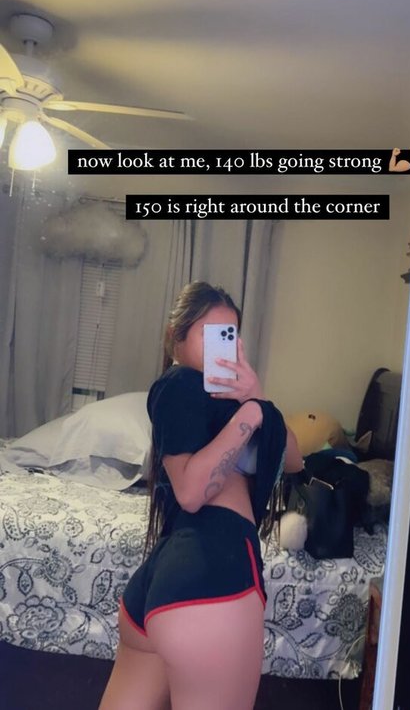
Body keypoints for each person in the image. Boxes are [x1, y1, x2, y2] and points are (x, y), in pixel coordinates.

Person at [99, 281, 303, 710]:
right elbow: (191, 491)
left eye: (228, 336)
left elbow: (293, 459)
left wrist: (256, 397)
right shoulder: (180, 384)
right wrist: (252, 414)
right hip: (214, 574)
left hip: (167, 580)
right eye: (209, 335)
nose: (219, 350)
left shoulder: (233, 401)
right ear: (176, 336)